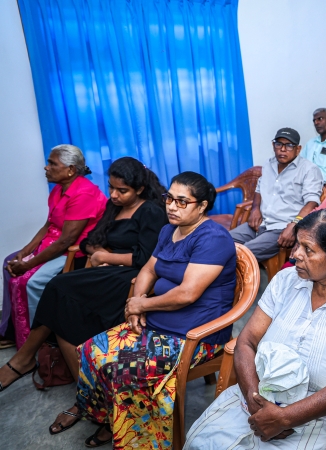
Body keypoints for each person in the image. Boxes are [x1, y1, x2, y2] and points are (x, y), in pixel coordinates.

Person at [50, 172, 237, 448]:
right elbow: (148, 269)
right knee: (91, 350)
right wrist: (137, 304)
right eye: (169, 198)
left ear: (202, 206)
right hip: (161, 319)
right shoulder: (169, 231)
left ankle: (137, 439)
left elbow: (187, 293)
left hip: (196, 333)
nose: (172, 206)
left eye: (182, 202)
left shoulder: (213, 238)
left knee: (125, 371)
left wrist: (143, 304)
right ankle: (112, 419)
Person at [184, 207, 326, 450]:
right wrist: (255, 401)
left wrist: (285, 418)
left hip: (316, 414)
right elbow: (246, 342)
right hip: (256, 395)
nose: (296, 255)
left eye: (308, 249)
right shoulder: (285, 280)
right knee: (200, 443)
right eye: (298, 244)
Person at [0, 157, 167, 395]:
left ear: (139, 189)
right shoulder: (114, 206)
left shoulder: (150, 211)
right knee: (61, 300)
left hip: (131, 277)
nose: (114, 195)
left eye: (122, 191)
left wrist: (106, 257)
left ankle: (23, 361)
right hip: (109, 270)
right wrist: (101, 253)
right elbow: (88, 241)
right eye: (111, 187)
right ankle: (84, 390)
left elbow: (145, 258)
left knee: (58, 287)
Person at [1, 145, 106, 349]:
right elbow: (48, 225)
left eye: (52, 163)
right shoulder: (59, 188)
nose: (46, 167)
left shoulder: (84, 193)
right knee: (10, 262)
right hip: (53, 243)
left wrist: (28, 264)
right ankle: (11, 330)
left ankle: (37, 341)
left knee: (32, 281)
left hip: (72, 252)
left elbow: (66, 241)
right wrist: (24, 252)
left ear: (71, 170)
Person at [230, 128, 323, 260]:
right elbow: (259, 189)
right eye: (279, 144)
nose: (283, 149)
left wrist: (294, 225)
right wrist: (255, 209)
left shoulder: (309, 170)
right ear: (273, 145)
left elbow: (312, 202)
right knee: (221, 241)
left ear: (298, 149)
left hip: (282, 228)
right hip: (260, 223)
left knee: (242, 254)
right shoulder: (269, 164)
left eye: (289, 145)